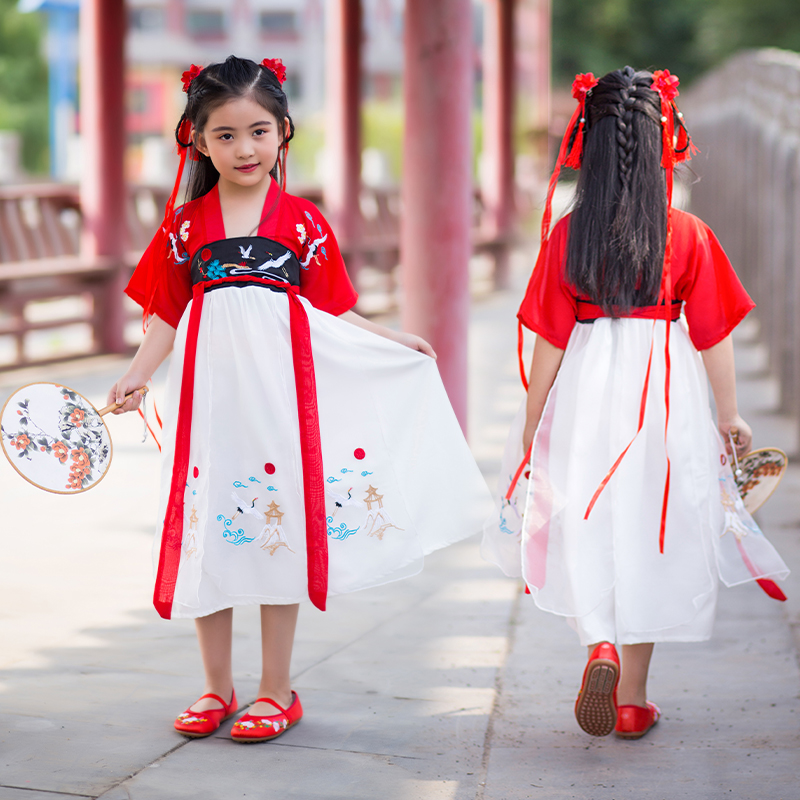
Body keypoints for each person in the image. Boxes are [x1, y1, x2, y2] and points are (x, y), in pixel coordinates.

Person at [109, 55, 492, 743]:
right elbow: (167, 315)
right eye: (224, 136)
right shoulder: (185, 226)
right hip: (212, 401)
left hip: (282, 403)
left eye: (258, 131)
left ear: (284, 132)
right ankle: (215, 686)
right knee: (210, 534)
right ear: (196, 140)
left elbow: (335, 311)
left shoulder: (303, 222)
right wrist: (137, 374)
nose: (244, 148)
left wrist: (394, 340)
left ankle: (275, 690)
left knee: (275, 529)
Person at [481, 67, 789, 740]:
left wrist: (533, 425)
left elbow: (549, 345)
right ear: (666, 143)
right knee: (651, 526)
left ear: (587, 147)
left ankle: (600, 643)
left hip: (585, 390)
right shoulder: (687, 235)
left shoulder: (569, 235)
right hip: (665, 392)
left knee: (588, 519)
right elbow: (714, 336)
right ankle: (632, 701)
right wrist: (729, 415)